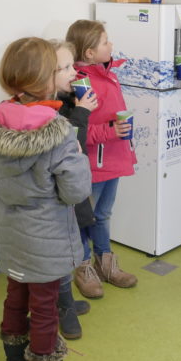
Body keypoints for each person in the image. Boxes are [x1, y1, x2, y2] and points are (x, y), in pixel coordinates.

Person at [0, 37, 90, 361]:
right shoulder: (59, 133)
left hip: (11, 229)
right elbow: (76, 192)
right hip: (48, 238)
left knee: (15, 295)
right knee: (44, 306)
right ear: (45, 78)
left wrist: (5, 217)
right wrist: (79, 155)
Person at [65, 20, 138, 298]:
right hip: (92, 163)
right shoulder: (78, 83)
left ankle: (105, 262)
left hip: (115, 156)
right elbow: (76, 129)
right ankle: (83, 268)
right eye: (106, 41)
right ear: (89, 52)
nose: (111, 45)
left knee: (103, 214)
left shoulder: (109, 73)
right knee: (85, 217)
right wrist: (109, 131)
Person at [51, 39, 99, 339]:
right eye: (66, 67)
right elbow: (69, 141)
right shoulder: (46, 113)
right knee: (58, 255)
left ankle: (64, 301)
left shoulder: (65, 100)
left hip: (69, 194)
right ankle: (63, 308)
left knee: (68, 249)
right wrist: (81, 112)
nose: (74, 72)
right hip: (57, 199)